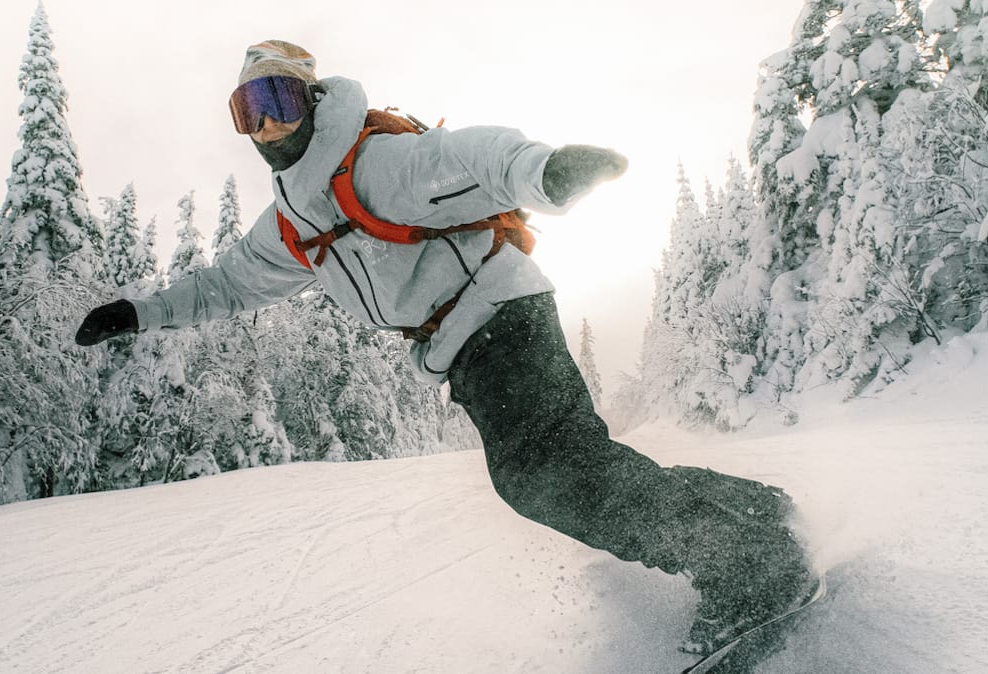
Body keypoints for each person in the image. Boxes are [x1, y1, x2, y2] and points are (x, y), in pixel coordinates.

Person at [76, 39, 814, 653]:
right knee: (568, 463)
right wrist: (139, 313)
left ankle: (750, 567)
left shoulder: (371, 163)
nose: (268, 126)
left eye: (279, 102)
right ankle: (748, 514)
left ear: (312, 100)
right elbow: (226, 284)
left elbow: (467, 159)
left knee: (541, 476)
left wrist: (543, 171)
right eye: (249, 112)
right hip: (466, 345)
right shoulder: (291, 224)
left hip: (499, 315)